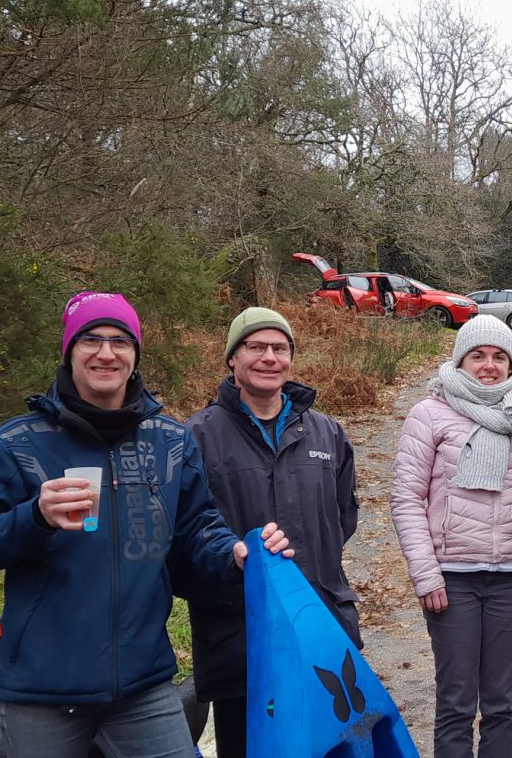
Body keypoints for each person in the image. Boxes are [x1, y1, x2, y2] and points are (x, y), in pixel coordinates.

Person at [0, 291, 291, 758]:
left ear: (135, 353)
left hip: (143, 686)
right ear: (70, 351)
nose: (106, 353)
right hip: (40, 691)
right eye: (91, 339)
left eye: (120, 341)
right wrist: (34, 518)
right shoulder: (16, 444)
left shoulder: (170, 441)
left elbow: (197, 529)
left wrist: (233, 554)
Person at [185, 306, 361, 758]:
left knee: (329, 745)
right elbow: (186, 535)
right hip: (241, 638)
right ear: (232, 359)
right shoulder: (197, 438)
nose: (269, 358)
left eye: (279, 348)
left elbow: (342, 518)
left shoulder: (327, 433)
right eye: (256, 347)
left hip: (321, 626)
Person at [390, 314, 512, 758]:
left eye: (499, 357)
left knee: (502, 704)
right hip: (451, 579)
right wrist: (426, 573)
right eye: (478, 355)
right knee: (456, 702)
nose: (489, 365)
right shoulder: (430, 414)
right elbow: (405, 498)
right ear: (460, 360)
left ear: (511, 365)